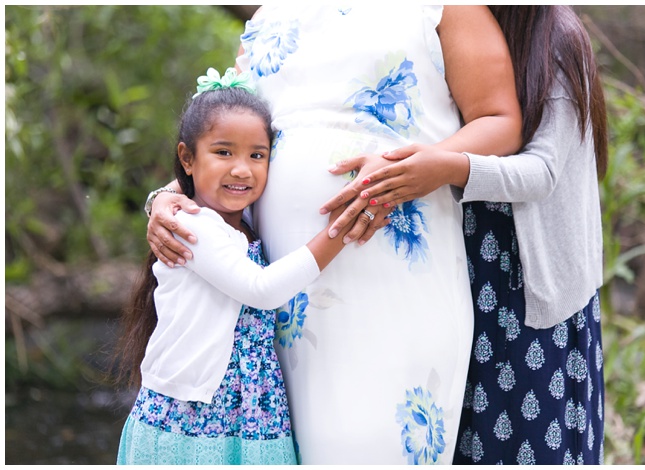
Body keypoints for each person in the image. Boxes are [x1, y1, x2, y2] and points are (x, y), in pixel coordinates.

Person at [145, 5, 522, 464]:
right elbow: (226, 126)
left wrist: (426, 166)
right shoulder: (270, 12)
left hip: (390, 276)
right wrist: (167, 196)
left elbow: (501, 121)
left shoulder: (447, 7)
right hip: (275, 300)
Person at [322, 5, 608, 465]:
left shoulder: (555, 39)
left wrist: (442, 166)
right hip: (463, 280)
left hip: (531, 291)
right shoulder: (442, 24)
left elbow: (544, 172)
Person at [114, 68, 362, 465]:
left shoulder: (242, 224)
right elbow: (260, 289)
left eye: (257, 155)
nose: (242, 169)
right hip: (194, 414)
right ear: (187, 158)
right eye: (224, 152)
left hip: (250, 410)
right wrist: (341, 231)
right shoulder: (192, 225)